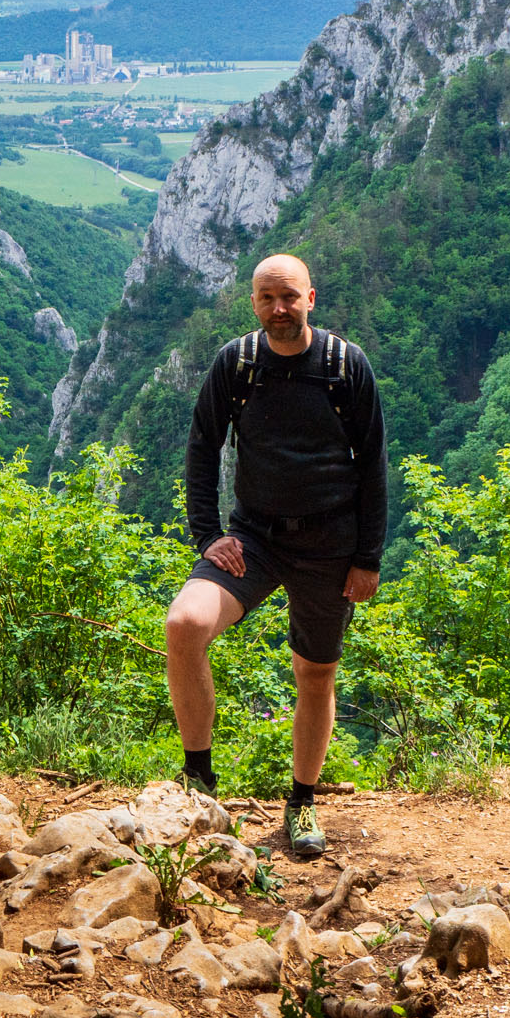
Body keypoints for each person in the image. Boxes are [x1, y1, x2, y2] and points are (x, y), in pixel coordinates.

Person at [163, 253, 387, 857]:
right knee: (184, 624)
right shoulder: (236, 364)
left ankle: (302, 803)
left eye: (288, 297)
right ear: (254, 302)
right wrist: (209, 536)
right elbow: (203, 447)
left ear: (311, 297)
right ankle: (198, 780)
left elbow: (373, 466)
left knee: (314, 674)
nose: (278, 309)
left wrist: (367, 557)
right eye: (267, 298)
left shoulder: (344, 367)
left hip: (330, 545)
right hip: (252, 539)